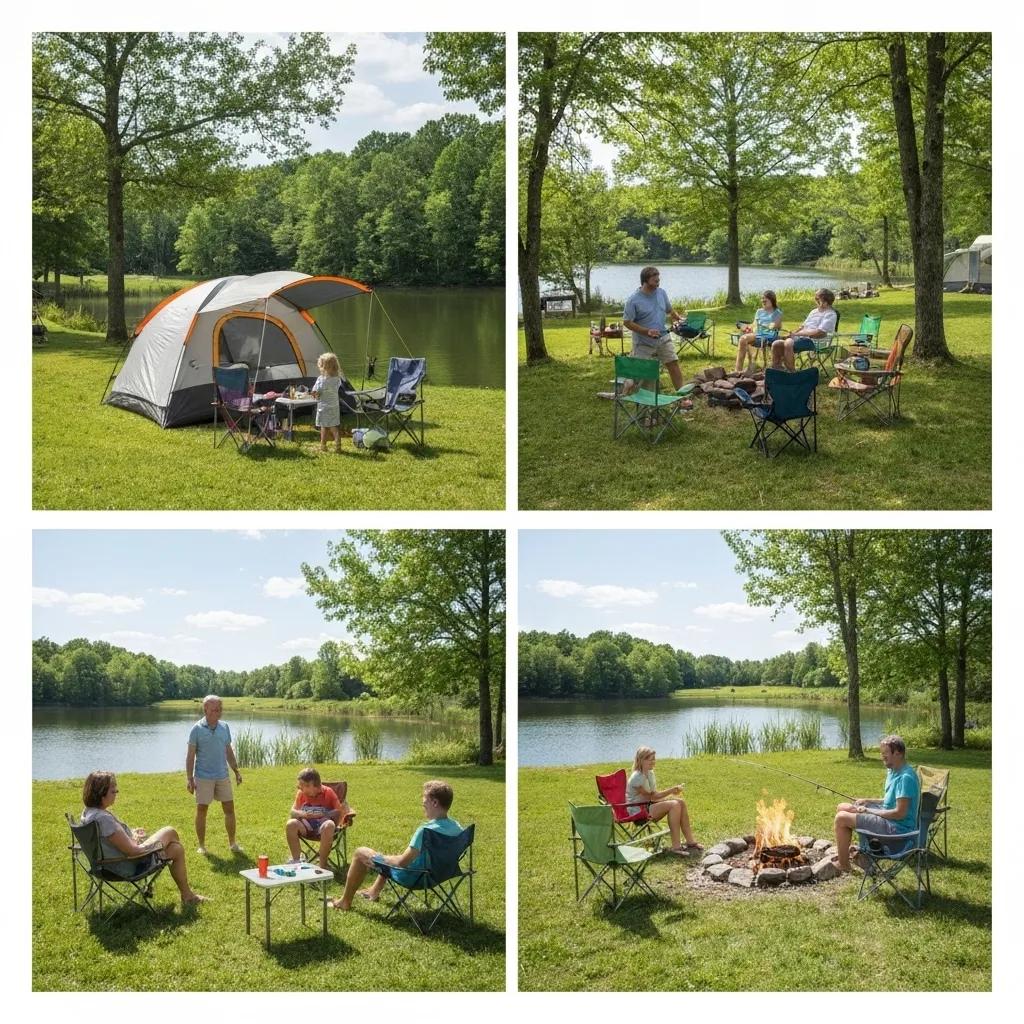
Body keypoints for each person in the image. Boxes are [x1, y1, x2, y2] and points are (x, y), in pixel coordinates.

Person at [331, 779, 462, 910]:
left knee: (361, 853)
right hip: (441, 874)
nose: (423, 804)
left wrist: (382, 858)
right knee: (390, 858)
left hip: (415, 876)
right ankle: (373, 891)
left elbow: (401, 863)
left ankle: (344, 902)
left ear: (434, 802)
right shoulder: (458, 828)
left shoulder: (426, 831)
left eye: (425, 802)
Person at [80, 770, 207, 905]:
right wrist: (153, 846)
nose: (116, 793)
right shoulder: (103, 819)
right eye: (113, 791)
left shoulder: (89, 813)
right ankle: (188, 896)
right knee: (170, 832)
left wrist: (133, 835)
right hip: (128, 866)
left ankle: (187, 896)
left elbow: (112, 841)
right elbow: (133, 851)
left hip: (106, 865)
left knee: (176, 849)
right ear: (101, 794)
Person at [832, 734, 920, 873]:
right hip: (889, 822)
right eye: (881, 753)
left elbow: (899, 813)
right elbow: (890, 801)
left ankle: (844, 865)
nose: (882, 756)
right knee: (843, 807)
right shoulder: (893, 771)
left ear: (898, 753)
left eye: (885, 753)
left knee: (841, 818)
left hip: (898, 833)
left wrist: (870, 811)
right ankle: (859, 852)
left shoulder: (906, 778)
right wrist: (868, 801)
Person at [185, 694, 243, 856]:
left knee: (229, 809)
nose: (218, 712)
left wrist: (236, 771)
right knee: (202, 809)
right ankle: (202, 846)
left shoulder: (224, 727)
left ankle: (232, 844)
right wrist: (190, 778)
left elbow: (228, 750)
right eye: (215, 709)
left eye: (220, 709)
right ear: (206, 710)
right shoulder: (196, 729)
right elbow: (190, 756)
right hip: (203, 777)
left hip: (222, 776)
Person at [626, 746, 702, 857]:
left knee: (680, 802)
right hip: (638, 811)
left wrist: (671, 792)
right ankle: (676, 847)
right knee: (674, 805)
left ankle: (690, 841)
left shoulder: (650, 773)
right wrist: (670, 792)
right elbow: (651, 797)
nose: (653, 761)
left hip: (648, 805)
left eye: (654, 759)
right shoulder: (637, 777)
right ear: (641, 760)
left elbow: (653, 796)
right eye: (650, 759)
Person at [622, 266, 687, 393]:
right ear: (645, 281)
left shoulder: (661, 292)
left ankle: (682, 396)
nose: (658, 282)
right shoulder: (633, 300)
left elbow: (669, 310)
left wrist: (677, 318)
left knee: (673, 364)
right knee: (639, 373)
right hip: (643, 342)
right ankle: (626, 387)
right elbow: (627, 322)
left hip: (663, 338)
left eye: (659, 279)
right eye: (655, 280)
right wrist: (647, 331)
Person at [285, 767, 352, 870]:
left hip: (323, 829)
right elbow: (293, 812)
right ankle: (297, 861)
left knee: (329, 824)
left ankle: (322, 865)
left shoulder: (328, 792)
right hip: (306, 826)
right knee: (291, 824)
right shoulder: (301, 793)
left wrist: (325, 813)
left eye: (302, 785)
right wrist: (303, 814)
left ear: (312, 785)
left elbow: (339, 811)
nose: (299, 788)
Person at [771, 287, 837, 370]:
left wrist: (797, 334)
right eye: (815, 298)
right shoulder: (814, 312)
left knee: (788, 343)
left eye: (818, 299)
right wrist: (792, 334)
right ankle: (778, 369)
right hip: (802, 338)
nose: (815, 301)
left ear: (826, 303)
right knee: (776, 344)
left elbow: (819, 332)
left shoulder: (830, 314)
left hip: (815, 341)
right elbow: (803, 326)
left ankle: (792, 373)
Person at [733, 290, 783, 371]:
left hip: (769, 336)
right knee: (743, 339)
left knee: (744, 339)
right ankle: (739, 370)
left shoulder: (777, 313)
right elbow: (754, 325)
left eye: (765, 299)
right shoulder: (759, 311)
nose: (763, 300)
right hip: (757, 334)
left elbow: (775, 325)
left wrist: (764, 326)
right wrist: (747, 328)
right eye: (762, 298)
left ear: (772, 300)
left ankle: (742, 369)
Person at [312, 352, 345, 452]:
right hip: (334, 407)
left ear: (323, 367)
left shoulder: (321, 380)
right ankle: (338, 445)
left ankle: (323, 445)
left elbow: (316, 393)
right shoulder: (337, 379)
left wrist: (314, 394)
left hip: (324, 407)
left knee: (324, 427)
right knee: (333, 426)